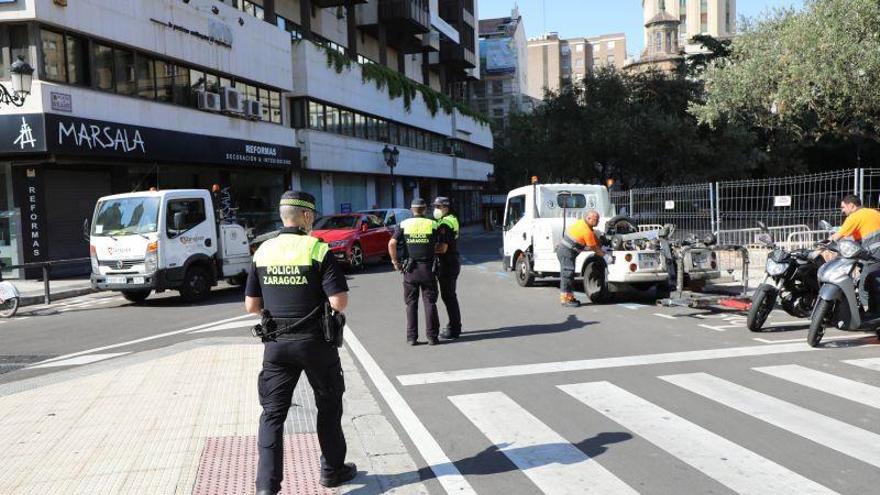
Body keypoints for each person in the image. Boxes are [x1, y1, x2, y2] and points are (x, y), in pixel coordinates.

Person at [245, 191, 357, 495]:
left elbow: (251, 306)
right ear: (306, 217)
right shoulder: (317, 250)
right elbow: (339, 301)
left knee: (272, 415)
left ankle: (266, 488)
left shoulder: (263, 251)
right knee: (329, 405)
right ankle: (332, 470)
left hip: (277, 346)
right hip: (316, 345)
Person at [388, 198, 444, 345]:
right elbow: (443, 247)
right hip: (428, 269)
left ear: (412, 210)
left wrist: (395, 262)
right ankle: (432, 337)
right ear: (425, 209)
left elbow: (391, 243)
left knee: (411, 304)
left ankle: (412, 337)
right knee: (430, 303)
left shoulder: (404, 224)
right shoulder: (433, 224)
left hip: (410, 270)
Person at [828, 194, 880, 313]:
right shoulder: (873, 212)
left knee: (864, 285)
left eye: (843, 207)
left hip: (874, 256)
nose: (842, 210)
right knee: (874, 282)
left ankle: (870, 315)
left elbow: (838, 236)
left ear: (851, 206)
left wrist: (821, 244)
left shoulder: (854, 217)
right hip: (875, 255)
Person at [556, 209, 606, 307]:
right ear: (589, 218)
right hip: (567, 252)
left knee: (569, 275)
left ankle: (569, 297)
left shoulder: (583, 224)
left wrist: (601, 244)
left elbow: (594, 237)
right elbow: (593, 247)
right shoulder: (586, 230)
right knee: (567, 274)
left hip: (566, 251)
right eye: (596, 219)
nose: (598, 221)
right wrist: (605, 255)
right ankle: (566, 300)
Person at [432, 197, 462, 339]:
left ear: (446, 207)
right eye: (435, 206)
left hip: (447, 263)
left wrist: (428, 250)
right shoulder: (451, 219)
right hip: (452, 262)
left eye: (438, 207)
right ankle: (455, 325)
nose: (435, 209)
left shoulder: (445, 224)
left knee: (449, 297)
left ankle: (454, 328)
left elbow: (442, 248)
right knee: (450, 296)